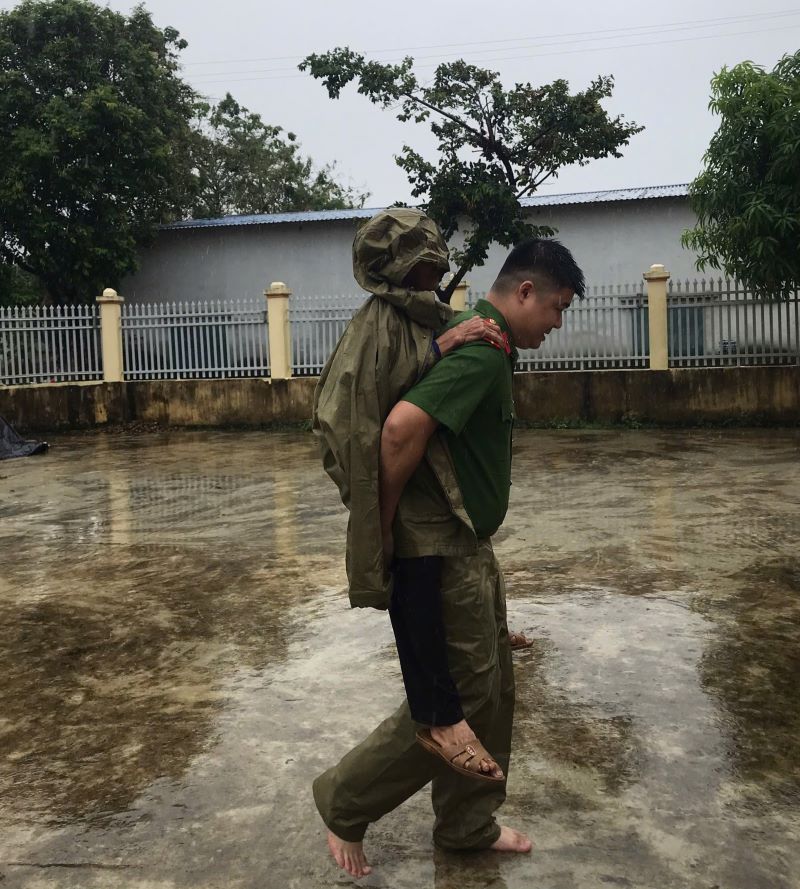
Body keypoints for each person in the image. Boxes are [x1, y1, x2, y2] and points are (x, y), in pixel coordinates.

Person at [314, 235, 585, 878]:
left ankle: (467, 825)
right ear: (524, 292)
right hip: (439, 546)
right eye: (556, 308)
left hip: (468, 541)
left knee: (492, 690)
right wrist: (381, 536)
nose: (557, 324)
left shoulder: (472, 335)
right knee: (450, 706)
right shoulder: (484, 352)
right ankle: (344, 798)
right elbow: (400, 430)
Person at [314, 208, 527, 786]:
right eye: (417, 265)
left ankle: (447, 734)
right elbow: (372, 412)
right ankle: (436, 718)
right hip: (388, 477)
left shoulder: (423, 314)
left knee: (429, 590)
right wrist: (378, 519)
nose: (428, 275)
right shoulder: (379, 322)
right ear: (387, 268)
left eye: (433, 264)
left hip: (414, 481)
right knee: (411, 580)